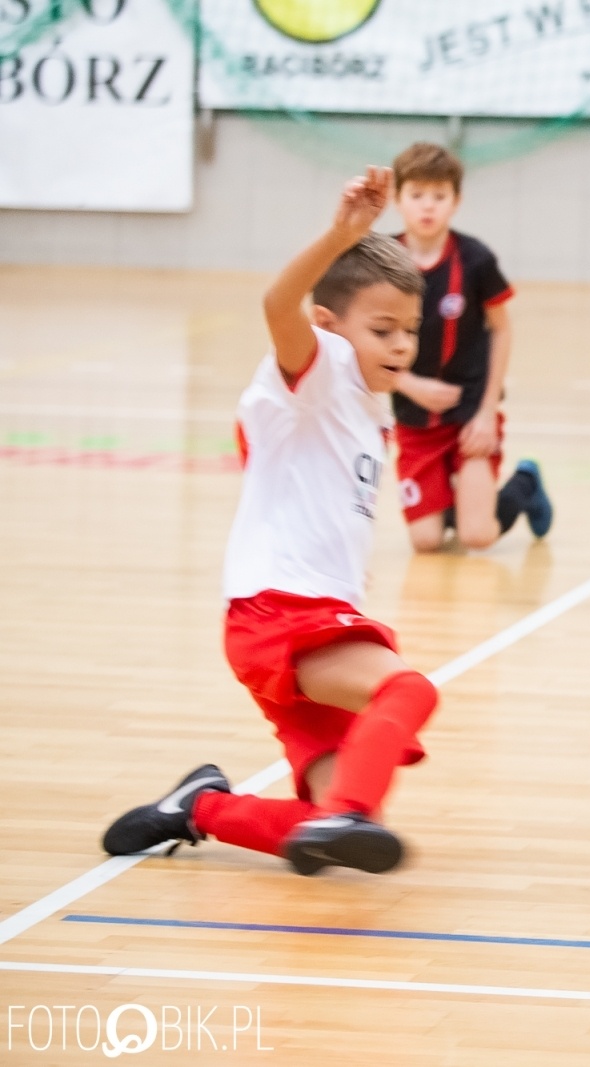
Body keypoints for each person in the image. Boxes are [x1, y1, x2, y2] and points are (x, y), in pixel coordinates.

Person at [102, 168, 439, 876]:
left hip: (294, 616)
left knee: (324, 831)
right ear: (329, 327)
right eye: (384, 328)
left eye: (410, 329)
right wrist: (342, 234)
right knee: (408, 689)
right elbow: (278, 301)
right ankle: (347, 808)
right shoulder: (318, 373)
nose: (402, 343)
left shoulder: (360, 407)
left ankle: (198, 809)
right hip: (279, 614)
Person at [389, 141, 552, 550]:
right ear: (397, 199)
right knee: (425, 542)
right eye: (417, 195)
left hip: (468, 415)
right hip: (414, 418)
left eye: (439, 196)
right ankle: (452, 499)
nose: (428, 206)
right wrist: (408, 384)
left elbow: (501, 329)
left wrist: (485, 413)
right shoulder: (383, 261)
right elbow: (359, 341)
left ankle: (525, 484)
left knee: (476, 537)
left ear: (456, 201)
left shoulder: (476, 260)